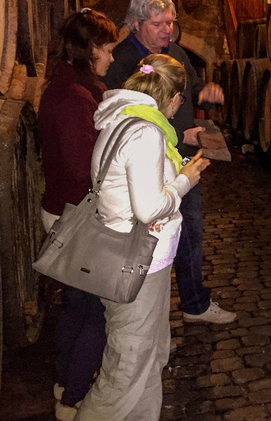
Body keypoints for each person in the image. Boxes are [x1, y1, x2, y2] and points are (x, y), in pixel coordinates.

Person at [75, 54, 209, 420]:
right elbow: (149, 208)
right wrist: (185, 181)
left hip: (136, 257)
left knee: (149, 356)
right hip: (136, 263)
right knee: (127, 365)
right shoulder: (146, 132)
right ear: (175, 98)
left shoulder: (123, 120)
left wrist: (177, 171)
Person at [102, 0, 236, 325]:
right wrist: (178, 134)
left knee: (190, 233)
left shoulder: (174, 51)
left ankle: (193, 304)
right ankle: (141, 315)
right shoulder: (119, 63)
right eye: (158, 24)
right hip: (148, 168)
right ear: (135, 24)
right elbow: (129, 125)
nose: (166, 31)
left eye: (170, 23)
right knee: (146, 240)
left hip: (181, 162)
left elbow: (190, 92)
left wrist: (206, 95)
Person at [37, 8, 118, 421]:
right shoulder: (73, 96)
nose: (111, 57)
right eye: (106, 49)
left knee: (76, 307)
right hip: (78, 218)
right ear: (89, 50)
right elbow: (80, 164)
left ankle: (62, 381)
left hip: (66, 214)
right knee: (95, 314)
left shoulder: (72, 86)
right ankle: (72, 400)